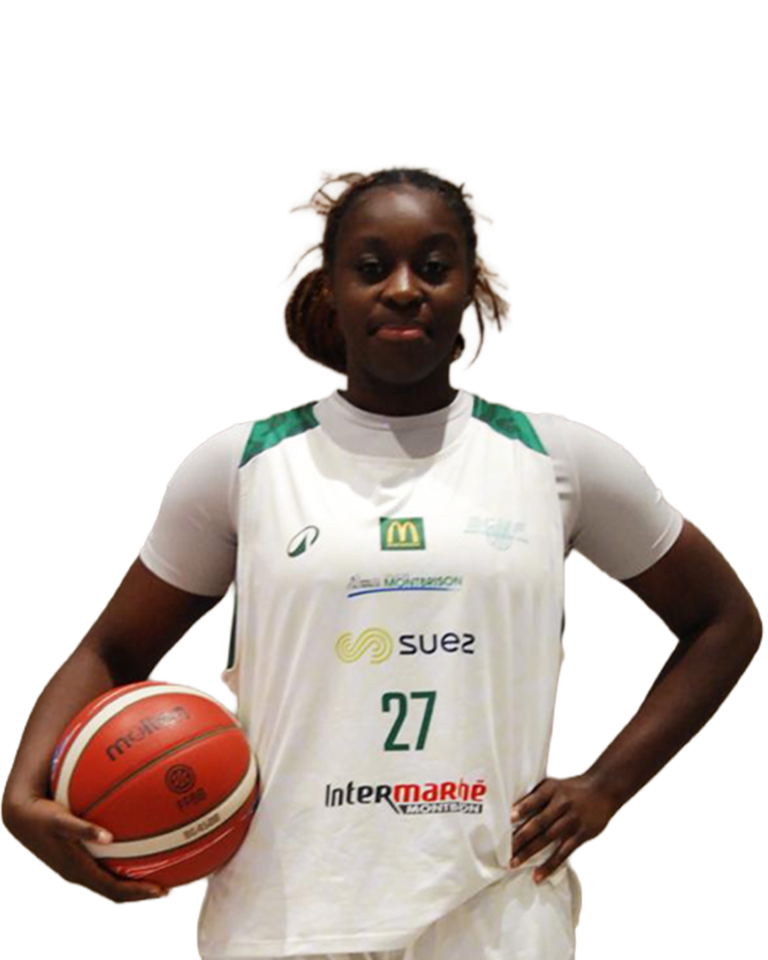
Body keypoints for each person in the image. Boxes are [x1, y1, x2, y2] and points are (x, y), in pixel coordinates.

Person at [1, 163, 762, 960]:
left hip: (496, 923)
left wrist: (605, 786)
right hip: (283, 923)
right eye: (371, 267)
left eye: (433, 267)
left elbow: (723, 621)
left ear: (470, 286)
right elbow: (113, 649)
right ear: (331, 287)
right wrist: (23, 792)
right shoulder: (240, 464)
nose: (404, 289)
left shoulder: (557, 457)